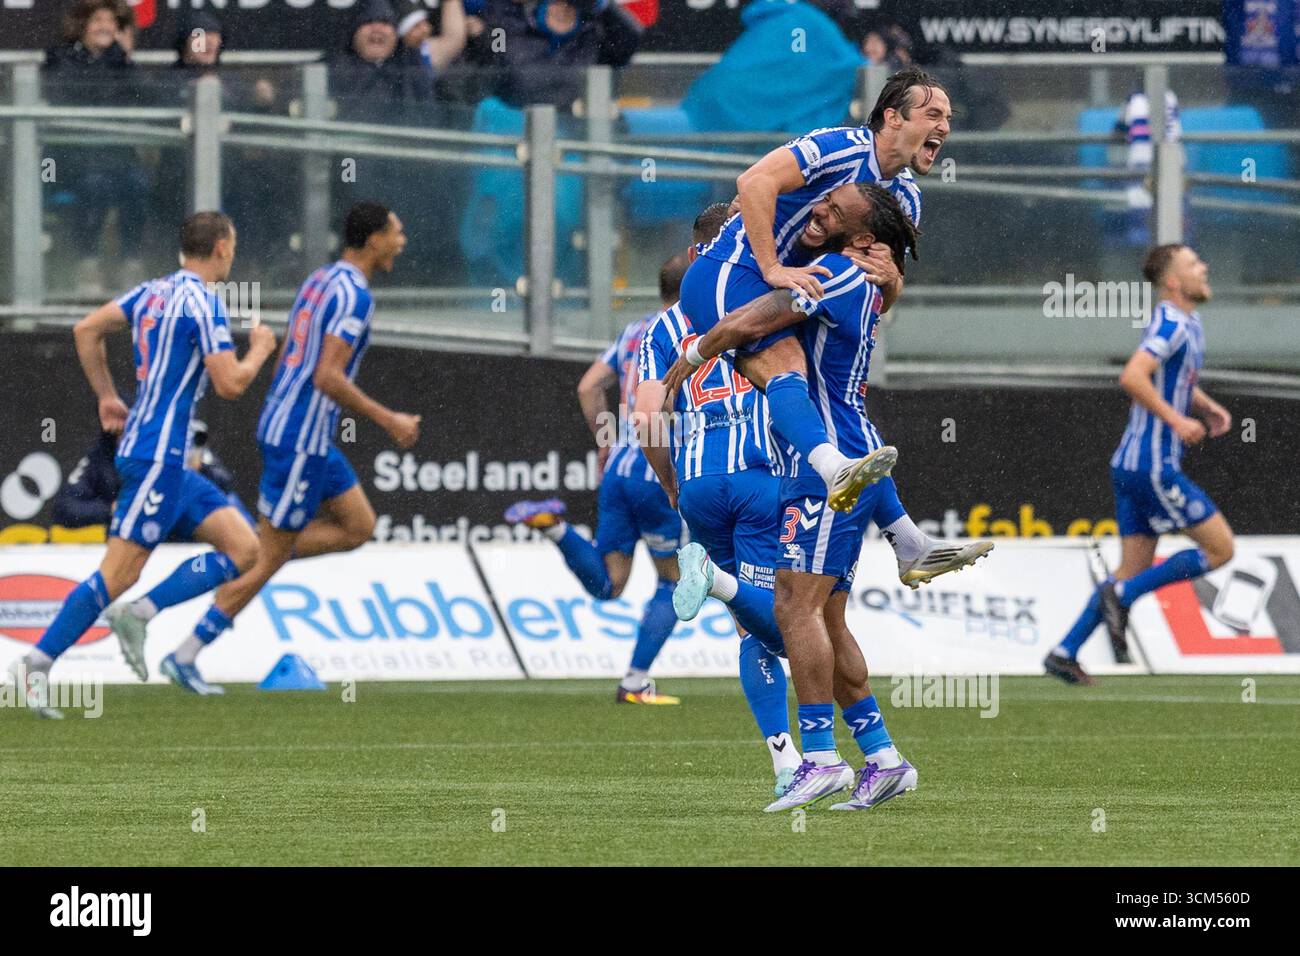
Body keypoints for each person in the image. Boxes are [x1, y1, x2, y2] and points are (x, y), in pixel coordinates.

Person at [668, 183, 924, 812]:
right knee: (826, 618)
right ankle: (884, 757)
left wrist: (700, 348)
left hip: (823, 470)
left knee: (794, 612)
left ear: (862, 239)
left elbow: (755, 320)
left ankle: (819, 758)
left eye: (833, 212)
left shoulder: (831, 273)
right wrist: (892, 280)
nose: (817, 211)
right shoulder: (855, 274)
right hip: (843, 459)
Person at [6, 213, 277, 717]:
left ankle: (141, 613)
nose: (232, 255)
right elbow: (231, 384)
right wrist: (260, 350)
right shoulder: (205, 304)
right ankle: (36, 663)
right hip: (155, 456)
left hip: (166, 457)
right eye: (232, 247)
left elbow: (87, 329)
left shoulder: (152, 293)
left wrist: (108, 397)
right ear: (221, 248)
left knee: (245, 547)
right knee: (119, 572)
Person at [153, 202, 421, 688]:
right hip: (301, 437)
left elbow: (297, 357)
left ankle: (266, 545)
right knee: (264, 557)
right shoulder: (356, 297)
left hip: (302, 431)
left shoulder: (320, 279)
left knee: (359, 526)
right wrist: (390, 420)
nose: (402, 241)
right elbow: (327, 375)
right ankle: (187, 652)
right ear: (374, 239)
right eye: (396, 232)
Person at [677, 67, 951, 514]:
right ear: (893, 118)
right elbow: (752, 183)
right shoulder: (839, 146)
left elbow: (877, 301)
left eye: (948, 118)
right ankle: (833, 473)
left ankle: (904, 538)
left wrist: (891, 281)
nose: (943, 127)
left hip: (791, 298)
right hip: (733, 271)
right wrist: (772, 266)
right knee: (788, 368)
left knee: (837, 409)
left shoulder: (906, 201)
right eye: (933, 114)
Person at [1046, 245, 1234, 685]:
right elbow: (1133, 375)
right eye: (1193, 264)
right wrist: (1177, 419)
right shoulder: (1171, 321)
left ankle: (1064, 651)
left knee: (1130, 566)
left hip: (1129, 466)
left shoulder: (1188, 322)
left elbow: (1174, 379)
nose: (1204, 267)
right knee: (1221, 549)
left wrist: (1203, 406)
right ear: (1172, 282)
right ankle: (1124, 596)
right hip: (1152, 466)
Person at [504, 260, 689, 706]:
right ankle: (635, 682)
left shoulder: (634, 331)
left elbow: (589, 386)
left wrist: (605, 441)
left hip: (619, 469)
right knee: (673, 582)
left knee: (611, 583)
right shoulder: (693, 331)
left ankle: (555, 528)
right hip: (656, 468)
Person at [44, 0, 150, 295]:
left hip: (117, 160)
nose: (105, 27)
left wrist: (125, 59)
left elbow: (150, 97)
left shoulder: (122, 63)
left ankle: (131, 262)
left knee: (138, 185)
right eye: (98, 20)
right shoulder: (60, 58)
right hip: (69, 160)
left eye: (111, 22)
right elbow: (69, 97)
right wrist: (103, 62)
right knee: (95, 185)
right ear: (82, 26)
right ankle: (86, 262)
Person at [465, 0, 642, 109]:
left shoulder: (595, 34)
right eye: (554, 4)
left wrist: (604, 6)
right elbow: (494, 58)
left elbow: (630, 40)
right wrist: (484, 35)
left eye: (568, 6)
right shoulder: (508, 26)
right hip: (515, 128)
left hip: (578, 133)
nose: (559, 10)